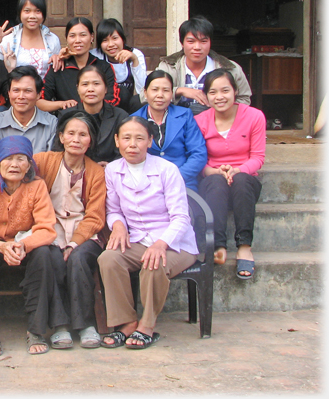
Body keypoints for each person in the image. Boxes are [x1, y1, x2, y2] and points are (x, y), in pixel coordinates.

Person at [98, 117, 198, 349]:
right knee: (109, 258)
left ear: (150, 141)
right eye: (126, 138)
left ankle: (147, 326)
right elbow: (113, 210)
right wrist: (119, 226)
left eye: (139, 138)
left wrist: (161, 244)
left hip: (175, 243)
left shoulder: (167, 170)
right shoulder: (113, 170)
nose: (132, 144)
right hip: (139, 239)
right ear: (117, 141)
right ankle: (126, 323)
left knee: (154, 263)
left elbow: (181, 217)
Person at [0, 136, 67, 356]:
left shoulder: (36, 186)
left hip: (23, 246)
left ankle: (36, 330)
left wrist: (23, 245)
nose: (14, 165)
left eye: (21, 159)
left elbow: (46, 228)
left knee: (43, 254)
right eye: (8, 159)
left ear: (29, 164)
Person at [195, 69, 265, 280]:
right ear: (206, 97)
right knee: (215, 182)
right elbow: (199, 159)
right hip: (214, 178)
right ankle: (218, 245)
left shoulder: (254, 116)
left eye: (225, 90)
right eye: (213, 92)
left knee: (242, 181)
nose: (220, 97)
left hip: (245, 178)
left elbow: (258, 157)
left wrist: (238, 170)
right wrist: (213, 171)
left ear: (235, 91)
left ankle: (244, 246)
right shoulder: (200, 120)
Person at [156, 15, 251, 115]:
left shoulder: (231, 69)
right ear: (182, 43)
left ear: (210, 42)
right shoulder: (168, 67)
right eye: (191, 41)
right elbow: (147, 95)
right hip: (176, 124)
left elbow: (244, 99)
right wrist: (180, 91)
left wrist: (220, 111)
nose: (197, 47)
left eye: (203, 41)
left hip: (216, 124)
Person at [132, 70, 207, 192]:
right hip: (147, 185)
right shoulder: (134, 120)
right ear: (145, 93)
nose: (160, 95)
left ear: (172, 93)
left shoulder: (185, 115)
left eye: (166, 90)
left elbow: (198, 154)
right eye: (155, 90)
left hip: (183, 181)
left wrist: (175, 177)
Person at [38, 17, 120, 113]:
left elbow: (113, 100)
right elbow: (40, 102)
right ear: (67, 39)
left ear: (92, 37)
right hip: (67, 121)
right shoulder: (58, 68)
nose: (78, 40)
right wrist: (62, 104)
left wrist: (89, 107)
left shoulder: (103, 67)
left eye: (83, 35)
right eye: (72, 36)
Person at [0, 0, 62, 79]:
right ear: (19, 13)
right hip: (17, 91)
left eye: (38, 11)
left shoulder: (52, 40)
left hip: (46, 92)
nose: (32, 16)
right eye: (27, 11)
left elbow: (58, 72)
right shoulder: (8, 40)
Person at [66, 64, 128, 166]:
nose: (90, 89)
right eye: (85, 84)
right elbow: (59, 151)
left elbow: (124, 150)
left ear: (106, 88)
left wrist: (111, 167)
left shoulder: (120, 117)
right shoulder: (67, 116)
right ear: (77, 88)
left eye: (96, 84)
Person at [0, 66, 58, 153]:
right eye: (16, 90)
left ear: (38, 94)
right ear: (8, 93)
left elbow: (52, 161)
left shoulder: (52, 124)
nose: (21, 97)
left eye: (28, 91)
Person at [90, 18, 146, 113]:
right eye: (105, 40)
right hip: (105, 106)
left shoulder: (135, 54)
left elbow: (143, 90)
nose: (111, 44)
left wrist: (134, 60)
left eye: (115, 38)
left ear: (122, 39)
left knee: (133, 99)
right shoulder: (95, 55)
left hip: (128, 108)